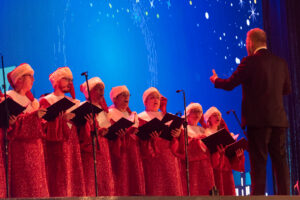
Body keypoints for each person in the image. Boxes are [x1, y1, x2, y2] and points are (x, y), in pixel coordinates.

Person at [209, 28, 292, 195]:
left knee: (259, 164)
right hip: (278, 121)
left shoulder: (249, 62)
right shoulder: (281, 63)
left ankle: (259, 198)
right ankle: (286, 197)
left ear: (251, 43)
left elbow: (230, 84)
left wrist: (216, 80)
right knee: (281, 163)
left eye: (247, 42)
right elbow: (287, 90)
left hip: (258, 122)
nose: (246, 45)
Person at [39, 67, 86, 197]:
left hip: (72, 143)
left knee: (73, 173)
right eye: (66, 79)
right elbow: (43, 125)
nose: (70, 82)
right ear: (57, 81)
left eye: (71, 80)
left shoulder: (74, 102)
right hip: (56, 145)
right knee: (59, 176)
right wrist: (60, 119)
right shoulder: (47, 100)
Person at [6, 63, 49, 197]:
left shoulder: (33, 102)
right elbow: (12, 124)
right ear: (19, 78)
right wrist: (33, 117)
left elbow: (40, 127)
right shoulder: (9, 97)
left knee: (38, 184)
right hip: (20, 148)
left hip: (36, 149)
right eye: (30, 76)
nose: (33, 79)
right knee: (25, 185)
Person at [138, 87, 183, 196]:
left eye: (158, 98)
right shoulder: (140, 118)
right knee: (156, 188)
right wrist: (150, 139)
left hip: (169, 158)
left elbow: (178, 139)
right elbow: (137, 141)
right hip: (152, 159)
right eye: (152, 97)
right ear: (145, 101)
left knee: (172, 187)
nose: (156, 100)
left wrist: (177, 135)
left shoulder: (167, 117)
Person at [79, 77, 115, 196]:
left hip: (103, 148)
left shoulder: (104, 111)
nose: (102, 93)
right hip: (90, 148)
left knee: (104, 180)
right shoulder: (83, 107)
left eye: (102, 89)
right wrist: (91, 127)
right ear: (90, 91)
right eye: (99, 89)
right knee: (92, 180)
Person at [108, 85, 145, 195]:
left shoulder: (131, 115)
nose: (126, 97)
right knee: (121, 181)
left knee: (133, 181)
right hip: (118, 153)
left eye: (128, 95)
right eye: (123, 95)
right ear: (115, 98)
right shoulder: (109, 113)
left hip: (133, 152)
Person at [174, 103, 215, 195]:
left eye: (199, 112)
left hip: (205, 167)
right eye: (194, 111)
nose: (197, 114)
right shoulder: (182, 129)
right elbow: (179, 148)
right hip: (190, 166)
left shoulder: (204, 130)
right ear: (188, 114)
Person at [204, 106, 245, 195]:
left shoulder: (226, 135)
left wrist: (238, 155)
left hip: (226, 170)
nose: (218, 117)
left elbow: (231, 156)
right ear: (209, 119)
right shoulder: (204, 134)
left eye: (219, 115)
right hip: (213, 171)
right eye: (214, 115)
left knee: (228, 192)